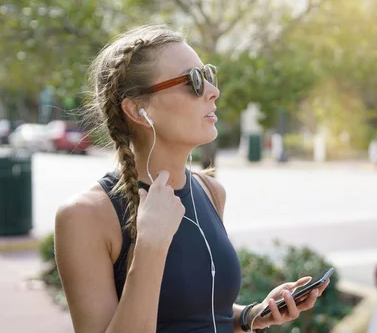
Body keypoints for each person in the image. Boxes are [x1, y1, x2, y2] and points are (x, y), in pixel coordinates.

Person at [54, 25, 330, 333]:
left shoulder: (211, 191)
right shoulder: (85, 216)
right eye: (193, 81)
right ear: (138, 109)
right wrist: (151, 244)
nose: (213, 91)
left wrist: (250, 315)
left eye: (208, 75)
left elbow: (197, 312)